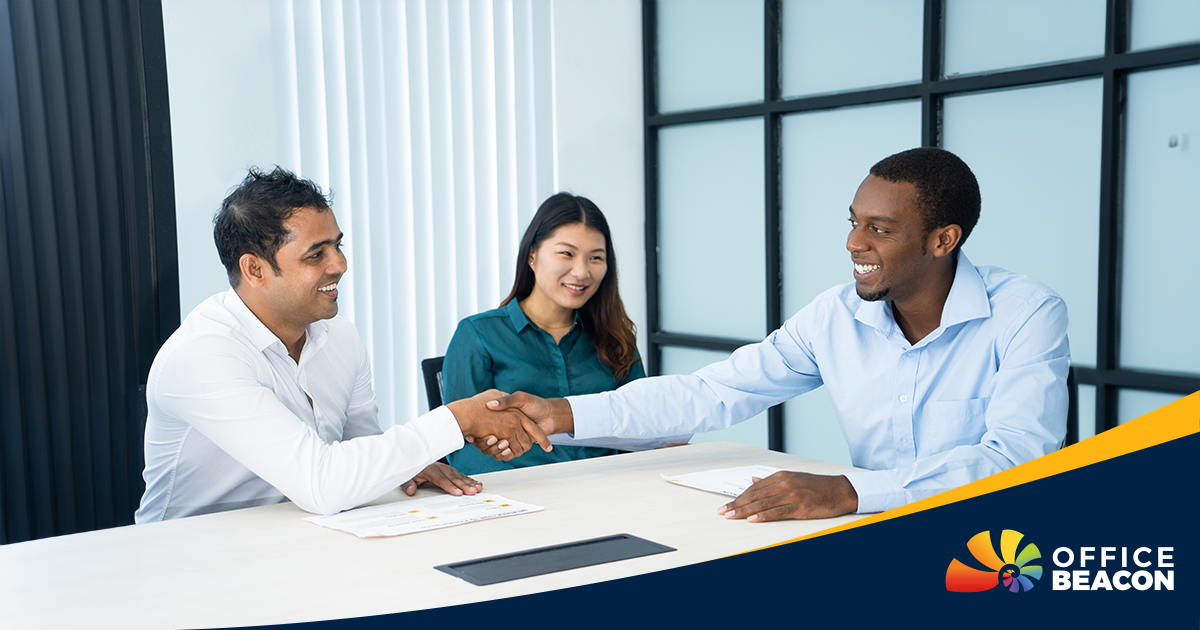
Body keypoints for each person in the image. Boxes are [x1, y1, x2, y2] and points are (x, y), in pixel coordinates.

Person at [484, 147, 1070, 522]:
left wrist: (847, 491)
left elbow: (1017, 459)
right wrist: (561, 413)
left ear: (943, 240)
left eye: (879, 228)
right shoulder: (835, 315)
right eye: (854, 222)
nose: (854, 243)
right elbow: (712, 392)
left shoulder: (1026, 313)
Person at [136, 167, 548, 523]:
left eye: (337, 245)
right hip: (190, 559)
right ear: (255, 269)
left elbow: (359, 451)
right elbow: (323, 483)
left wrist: (404, 467)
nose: (340, 265)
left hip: (300, 538)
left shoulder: (342, 338)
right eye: (316, 255)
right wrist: (456, 420)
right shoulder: (202, 355)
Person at [444, 193, 684, 474]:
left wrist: (663, 447)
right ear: (532, 254)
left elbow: (642, 420)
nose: (581, 272)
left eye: (596, 258)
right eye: (567, 253)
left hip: (611, 485)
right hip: (523, 490)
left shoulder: (615, 336)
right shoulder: (478, 334)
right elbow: (462, 447)